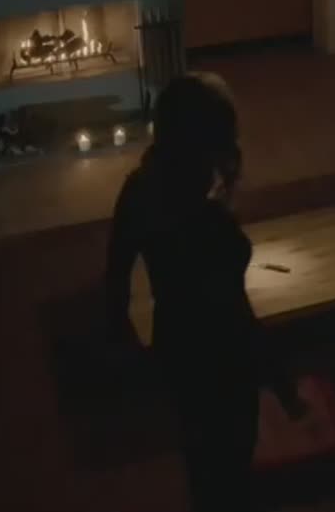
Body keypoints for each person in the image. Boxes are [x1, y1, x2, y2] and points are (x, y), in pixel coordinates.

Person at [105, 73, 304, 512]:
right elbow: (238, 320)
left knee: (200, 460)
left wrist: (131, 355)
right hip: (223, 362)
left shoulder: (138, 188)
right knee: (230, 464)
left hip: (174, 347)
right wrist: (282, 383)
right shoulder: (209, 226)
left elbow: (114, 282)